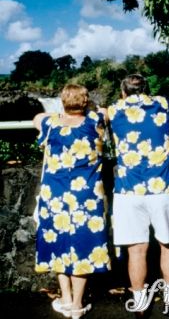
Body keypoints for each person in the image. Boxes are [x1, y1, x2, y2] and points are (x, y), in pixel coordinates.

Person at [106, 74, 169, 316]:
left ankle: (140, 302)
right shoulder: (163, 104)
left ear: (123, 92)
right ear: (147, 90)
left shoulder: (113, 110)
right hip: (163, 188)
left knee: (136, 250)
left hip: (128, 191)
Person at [33, 84, 111, 319]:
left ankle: (65, 299)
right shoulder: (94, 122)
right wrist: (87, 109)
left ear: (63, 102)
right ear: (86, 102)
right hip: (85, 196)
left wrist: (61, 113)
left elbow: (37, 116)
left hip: (54, 195)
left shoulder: (50, 124)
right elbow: (107, 112)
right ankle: (77, 303)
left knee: (57, 242)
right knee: (83, 245)